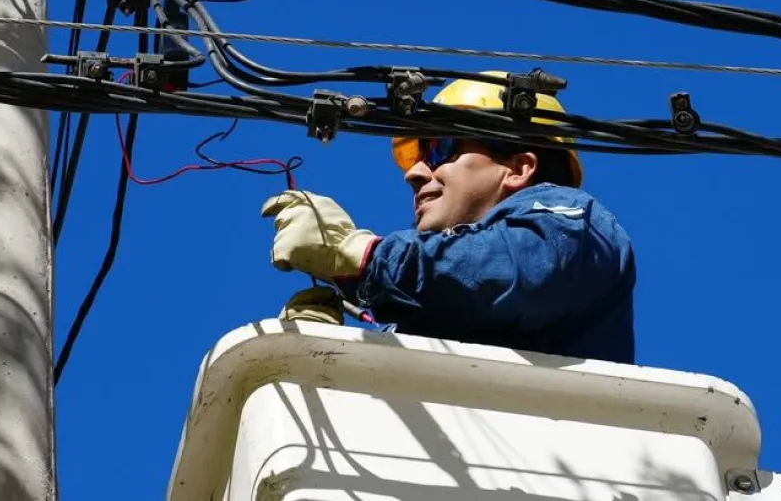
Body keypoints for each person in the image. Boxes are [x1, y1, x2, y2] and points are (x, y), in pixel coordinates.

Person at [261, 71, 637, 364]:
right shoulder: (432, 304)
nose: (415, 174)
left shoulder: (570, 223)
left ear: (519, 168)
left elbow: (501, 274)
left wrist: (364, 258)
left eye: (440, 149)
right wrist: (320, 353)